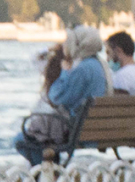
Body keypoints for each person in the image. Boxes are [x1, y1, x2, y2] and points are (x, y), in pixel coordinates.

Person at [14, 24, 106, 164]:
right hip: (96, 127)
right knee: (40, 139)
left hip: (78, 130)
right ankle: (52, 174)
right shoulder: (99, 65)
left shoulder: (82, 69)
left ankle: (52, 177)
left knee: (21, 140)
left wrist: (64, 72)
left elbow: (56, 97)